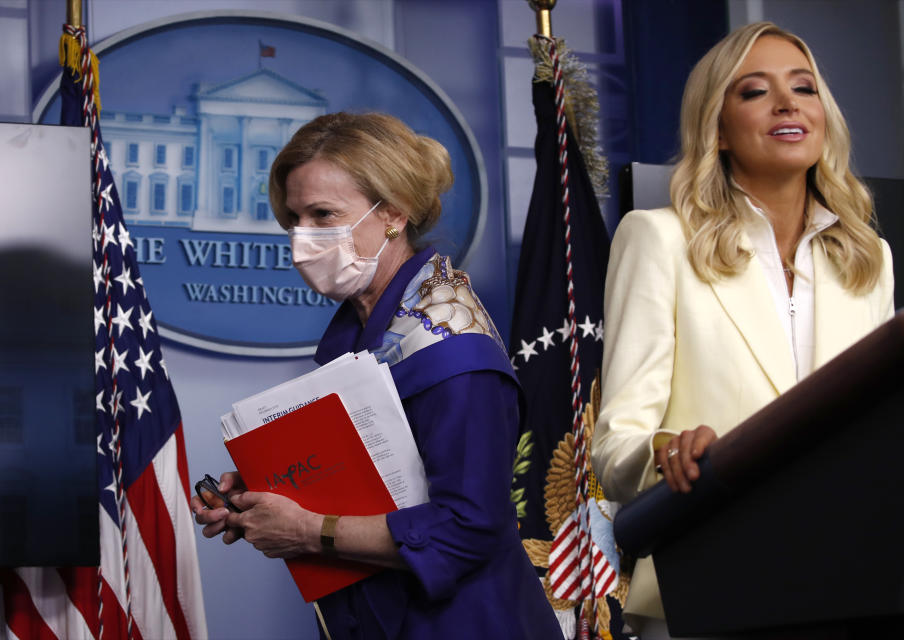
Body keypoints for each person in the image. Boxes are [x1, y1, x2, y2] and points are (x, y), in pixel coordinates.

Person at [191, 112, 563, 640]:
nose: (303, 239)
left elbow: (468, 530)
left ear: (392, 213)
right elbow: (377, 476)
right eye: (295, 218)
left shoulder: (452, 350)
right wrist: (266, 494)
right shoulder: (366, 327)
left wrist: (304, 530)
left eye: (324, 214)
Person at [591, 22, 895, 640]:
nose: (787, 103)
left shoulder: (870, 258)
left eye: (804, 88)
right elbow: (616, 446)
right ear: (719, 130)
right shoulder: (657, 240)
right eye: (755, 91)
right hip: (711, 583)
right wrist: (667, 449)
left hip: (855, 580)